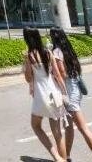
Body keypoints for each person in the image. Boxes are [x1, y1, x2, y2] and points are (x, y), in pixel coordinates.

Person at [50, 27, 92, 162]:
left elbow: (62, 73)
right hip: (75, 88)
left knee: (83, 129)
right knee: (69, 126)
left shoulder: (57, 52)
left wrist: (54, 76)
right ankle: (66, 156)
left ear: (54, 38)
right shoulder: (68, 50)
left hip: (69, 92)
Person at [22, 27, 67, 162]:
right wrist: (64, 93)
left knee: (36, 126)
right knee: (58, 133)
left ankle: (57, 157)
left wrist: (26, 61)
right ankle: (63, 159)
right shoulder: (48, 52)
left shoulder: (29, 56)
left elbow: (28, 79)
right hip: (54, 93)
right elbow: (57, 75)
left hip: (41, 97)